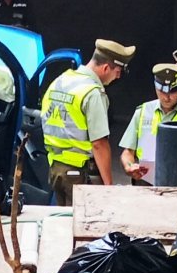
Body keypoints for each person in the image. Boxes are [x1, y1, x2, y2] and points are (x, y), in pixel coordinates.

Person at [41, 39, 135, 206]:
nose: (118, 76)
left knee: (64, 222)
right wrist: (108, 186)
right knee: (84, 226)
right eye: (118, 71)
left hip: (56, 170)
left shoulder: (60, 81)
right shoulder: (93, 93)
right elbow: (99, 143)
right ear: (106, 68)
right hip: (79, 174)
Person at [119, 63, 177, 185]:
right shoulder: (143, 111)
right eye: (161, 91)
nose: (166, 97)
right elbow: (127, 152)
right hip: (145, 181)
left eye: (172, 92)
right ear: (155, 87)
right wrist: (130, 167)